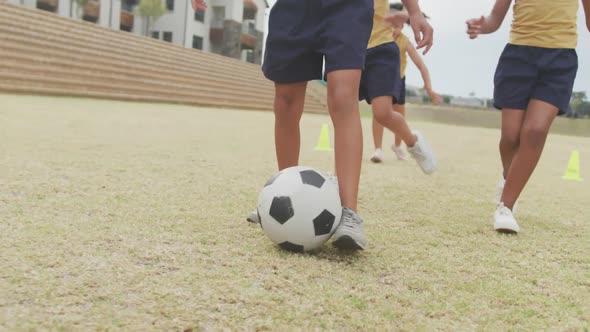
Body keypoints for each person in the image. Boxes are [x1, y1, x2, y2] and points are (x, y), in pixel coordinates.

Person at [246, 0, 434, 251]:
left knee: (343, 97)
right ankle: (285, 192)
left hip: (349, 6)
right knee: (286, 101)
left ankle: (349, 213)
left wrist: (415, 11)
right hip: (293, 7)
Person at [466, 0, 590, 233]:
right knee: (511, 137)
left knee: (535, 131)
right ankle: (508, 179)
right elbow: (495, 18)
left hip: (560, 60)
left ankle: (506, 207)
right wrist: (482, 26)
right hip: (518, 58)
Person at [359, 0, 437, 174]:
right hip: (349, 45)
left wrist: (413, 13)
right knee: (343, 108)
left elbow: (421, 65)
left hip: (386, 61)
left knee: (382, 113)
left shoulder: (402, 39)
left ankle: (410, 142)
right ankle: (377, 149)